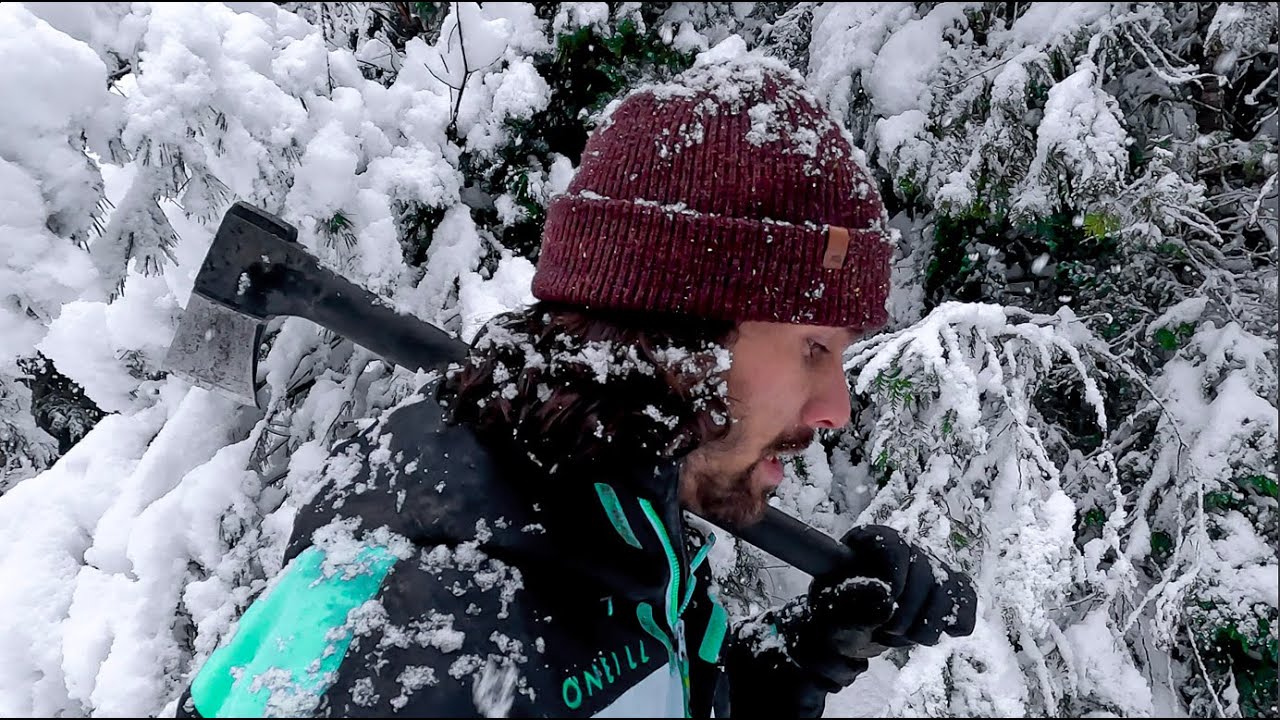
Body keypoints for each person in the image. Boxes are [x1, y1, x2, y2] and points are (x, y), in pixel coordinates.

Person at [176, 50, 976, 719]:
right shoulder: (413, 647)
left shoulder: (615, 525)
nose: (836, 408)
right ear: (675, 335)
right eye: (813, 347)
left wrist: (801, 661)